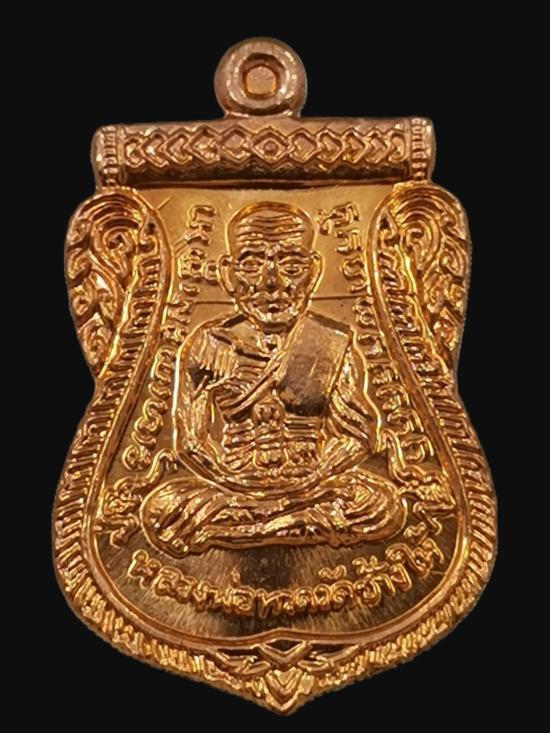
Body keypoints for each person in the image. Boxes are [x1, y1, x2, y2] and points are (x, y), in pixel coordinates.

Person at [142, 202, 406, 557]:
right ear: (228, 274)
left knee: (381, 503)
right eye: (251, 265)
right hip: (234, 487)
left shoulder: (329, 342)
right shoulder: (211, 343)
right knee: (162, 508)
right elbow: (191, 441)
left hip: (311, 484)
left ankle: (253, 528)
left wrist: (312, 478)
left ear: (313, 271)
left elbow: (355, 436)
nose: (271, 282)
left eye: (291, 266)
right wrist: (231, 480)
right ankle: (288, 525)